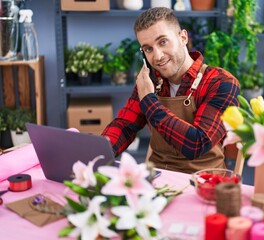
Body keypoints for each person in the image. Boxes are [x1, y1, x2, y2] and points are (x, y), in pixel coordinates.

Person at [102, 7, 240, 174]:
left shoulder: (221, 82)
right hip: (158, 182)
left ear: (183, 37)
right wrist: (97, 155)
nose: (157, 56)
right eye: (148, 49)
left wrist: (148, 101)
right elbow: (125, 126)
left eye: (162, 42)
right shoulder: (150, 81)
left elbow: (197, 144)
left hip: (204, 185)